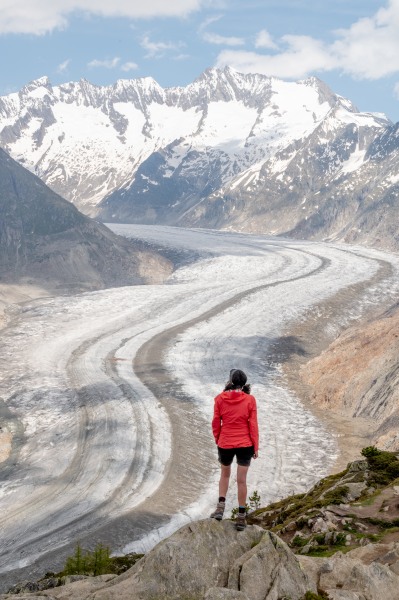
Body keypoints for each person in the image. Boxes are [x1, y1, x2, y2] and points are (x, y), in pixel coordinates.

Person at [210, 368, 259, 530]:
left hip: (225, 442)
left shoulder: (219, 399)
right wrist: (255, 446)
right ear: (244, 383)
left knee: (225, 475)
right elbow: (253, 425)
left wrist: (219, 438)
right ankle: (241, 517)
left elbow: (216, 423)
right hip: (245, 443)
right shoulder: (250, 400)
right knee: (241, 481)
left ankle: (220, 509)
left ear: (230, 382)